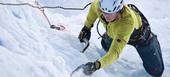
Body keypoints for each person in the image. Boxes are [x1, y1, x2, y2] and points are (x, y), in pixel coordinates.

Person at [78, 0, 164, 77]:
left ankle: (153, 41)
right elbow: (93, 8)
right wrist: (87, 27)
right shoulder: (99, 5)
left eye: (110, 13)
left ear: (118, 9)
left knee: (156, 71)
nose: (106, 16)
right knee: (105, 45)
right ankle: (110, 35)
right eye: (104, 12)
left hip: (139, 38)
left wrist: (97, 65)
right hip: (115, 32)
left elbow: (115, 52)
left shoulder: (127, 22)